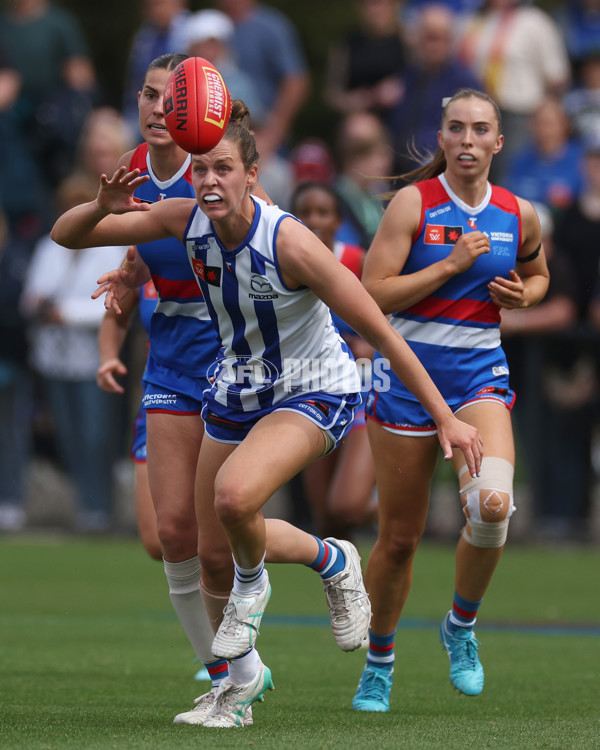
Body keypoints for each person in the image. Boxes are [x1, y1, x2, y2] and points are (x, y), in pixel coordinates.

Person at [51, 98, 483, 728]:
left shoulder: (291, 242)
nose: (209, 181)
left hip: (314, 389)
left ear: (252, 174)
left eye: (223, 168)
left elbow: (385, 333)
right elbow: (67, 235)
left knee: (233, 499)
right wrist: (101, 205)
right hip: (240, 387)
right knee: (210, 550)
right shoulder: (182, 220)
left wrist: (446, 417)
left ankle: (271, 586)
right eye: (200, 171)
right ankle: (298, 605)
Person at [352, 88, 549, 712]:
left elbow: (539, 274)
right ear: (441, 138)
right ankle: (379, 662)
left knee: (492, 508)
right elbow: (371, 294)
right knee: (401, 538)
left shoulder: (520, 212)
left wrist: (528, 296)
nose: (467, 140)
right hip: (407, 382)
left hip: (478, 379)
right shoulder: (413, 203)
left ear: (497, 141)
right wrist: (446, 266)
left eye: (480, 129)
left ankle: (460, 627)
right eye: (456, 129)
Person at [20, 173, 127, 532]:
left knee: (96, 435)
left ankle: (100, 508)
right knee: (67, 435)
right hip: (54, 359)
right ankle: (85, 507)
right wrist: (38, 305)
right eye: (67, 205)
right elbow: (31, 295)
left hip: (91, 358)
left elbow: (112, 304)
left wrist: (63, 313)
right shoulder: (50, 248)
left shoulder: (111, 248)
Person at [291, 181, 377, 541]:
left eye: (323, 212)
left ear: (338, 220)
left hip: (364, 387)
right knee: (326, 517)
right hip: (308, 387)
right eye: (304, 213)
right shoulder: (282, 261)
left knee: (347, 507)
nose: (313, 220)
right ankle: (347, 591)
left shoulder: (359, 261)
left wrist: (369, 345)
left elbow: (388, 316)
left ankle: (401, 500)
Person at [457, 0, 571, 182]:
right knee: (472, 178)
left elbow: (557, 76)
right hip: (475, 114)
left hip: (519, 114)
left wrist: (546, 117)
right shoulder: (469, 21)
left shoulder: (535, 22)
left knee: (507, 178)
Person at [387, 2, 482, 176]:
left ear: (450, 41)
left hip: (441, 169)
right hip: (398, 163)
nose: (431, 46)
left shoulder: (466, 83)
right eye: (426, 38)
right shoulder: (409, 76)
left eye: (437, 38)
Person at [323, 0, 406, 125]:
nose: (373, 10)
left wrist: (401, 88)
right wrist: (350, 102)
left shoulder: (408, 42)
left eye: (378, 3)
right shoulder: (347, 43)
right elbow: (331, 92)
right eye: (367, 3)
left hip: (400, 119)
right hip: (358, 121)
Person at [121, 0, 190, 139]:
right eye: (148, 6)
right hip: (142, 107)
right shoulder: (144, 36)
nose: (153, 10)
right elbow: (134, 82)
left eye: (158, 4)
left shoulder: (193, 31)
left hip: (183, 108)